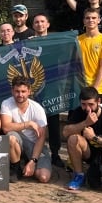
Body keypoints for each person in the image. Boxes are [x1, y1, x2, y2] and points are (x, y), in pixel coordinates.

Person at [63, 87, 102, 191]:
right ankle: (79, 175)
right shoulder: (78, 112)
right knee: (73, 139)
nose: (87, 108)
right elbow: (65, 132)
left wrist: (94, 138)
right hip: (89, 152)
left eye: (91, 104)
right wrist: (85, 123)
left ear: (98, 101)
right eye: (84, 104)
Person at [0, 76, 51, 183]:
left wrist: (33, 161)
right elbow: (5, 127)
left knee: (43, 177)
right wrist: (28, 124)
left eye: (23, 91)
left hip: (35, 145)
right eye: (17, 91)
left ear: (29, 91)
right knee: (10, 137)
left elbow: (41, 138)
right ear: (12, 91)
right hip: (18, 143)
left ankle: (29, 162)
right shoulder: (6, 104)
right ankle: (16, 168)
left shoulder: (37, 109)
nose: (20, 95)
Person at [30, 12, 64, 167]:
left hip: (52, 86)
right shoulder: (28, 43)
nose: (39, 24)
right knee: (35, 121)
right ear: (33, 26)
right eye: (36, 22)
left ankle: (55, 154)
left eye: (42, 21)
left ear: (48, 24)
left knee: (53, 122)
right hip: (34, 87)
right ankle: (34, 153)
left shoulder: (56, 42)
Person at [78, 8, 102, 99]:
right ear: (84, 21)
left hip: (97, 89)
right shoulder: (77, 40)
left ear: (99, 20)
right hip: (79, 87)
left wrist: (94, 89)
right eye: (87, 18)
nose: (91, 20)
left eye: (94, 18)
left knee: (97, 114)